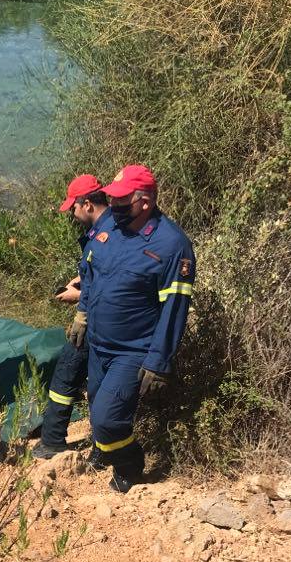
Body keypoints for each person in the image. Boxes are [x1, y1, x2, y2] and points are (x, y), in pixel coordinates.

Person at [69, 164, 195, 493]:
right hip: (99, 343)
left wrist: (159, 360)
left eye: (122, 201)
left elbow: (174, 309)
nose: (114, 206)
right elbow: (90, 267)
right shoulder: (110, 224)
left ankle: (129, 463)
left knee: (108, 419)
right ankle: (104, 450)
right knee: (96, 409)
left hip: (133, 350)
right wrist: (82, 312)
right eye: (113, 198)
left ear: (144, 202)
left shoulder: (172, 245)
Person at [33, 174, 110, 459]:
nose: (73, 215)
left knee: (68, 374)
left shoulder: (106, 234)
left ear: (87, 204)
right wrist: (80, 280)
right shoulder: (106, 229)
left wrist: (78, 297)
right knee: (82, 378)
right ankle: (86, 446)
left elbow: (113, 283)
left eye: (74, 209)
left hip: (97, 320)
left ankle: (54, 442)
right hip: (96, 315)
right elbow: (98, 272)